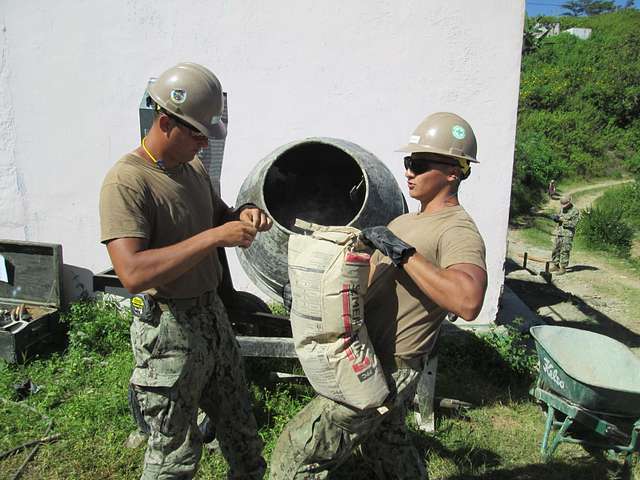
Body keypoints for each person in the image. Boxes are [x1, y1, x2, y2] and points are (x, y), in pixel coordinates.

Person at [270, 112, 487, 479]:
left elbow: (467, 301)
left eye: (419, 164)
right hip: (364, 351)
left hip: (389, 366)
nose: (409, 172)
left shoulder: (458, 230)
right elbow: (365, 283)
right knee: (388, 449)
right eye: (407, 163)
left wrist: (404, 254)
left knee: (298, 452)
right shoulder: (404, 222)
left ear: (454, 171)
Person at [99, 62, 270, 479]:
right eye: (197, 134)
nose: (204, 144)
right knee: (174, 455)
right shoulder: (127, 182)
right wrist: (214, 239)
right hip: (168, 333)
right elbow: (133, 273)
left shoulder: (191, 168)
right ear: (164, 122)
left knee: (242, 434)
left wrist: (242, 213)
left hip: (212, 317)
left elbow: (217, 215)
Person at [550, 195, 579, 275]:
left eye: (565, 204)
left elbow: (573, 224)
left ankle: (563, 268)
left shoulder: (575, 211)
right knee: (555, 249)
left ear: (569, 202)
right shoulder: (562, 209)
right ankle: (556, 265)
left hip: (568, 234)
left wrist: (562, 220)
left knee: (565, 251)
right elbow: (559, 217)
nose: (564, 206)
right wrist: (556, 218)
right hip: (559, 233)